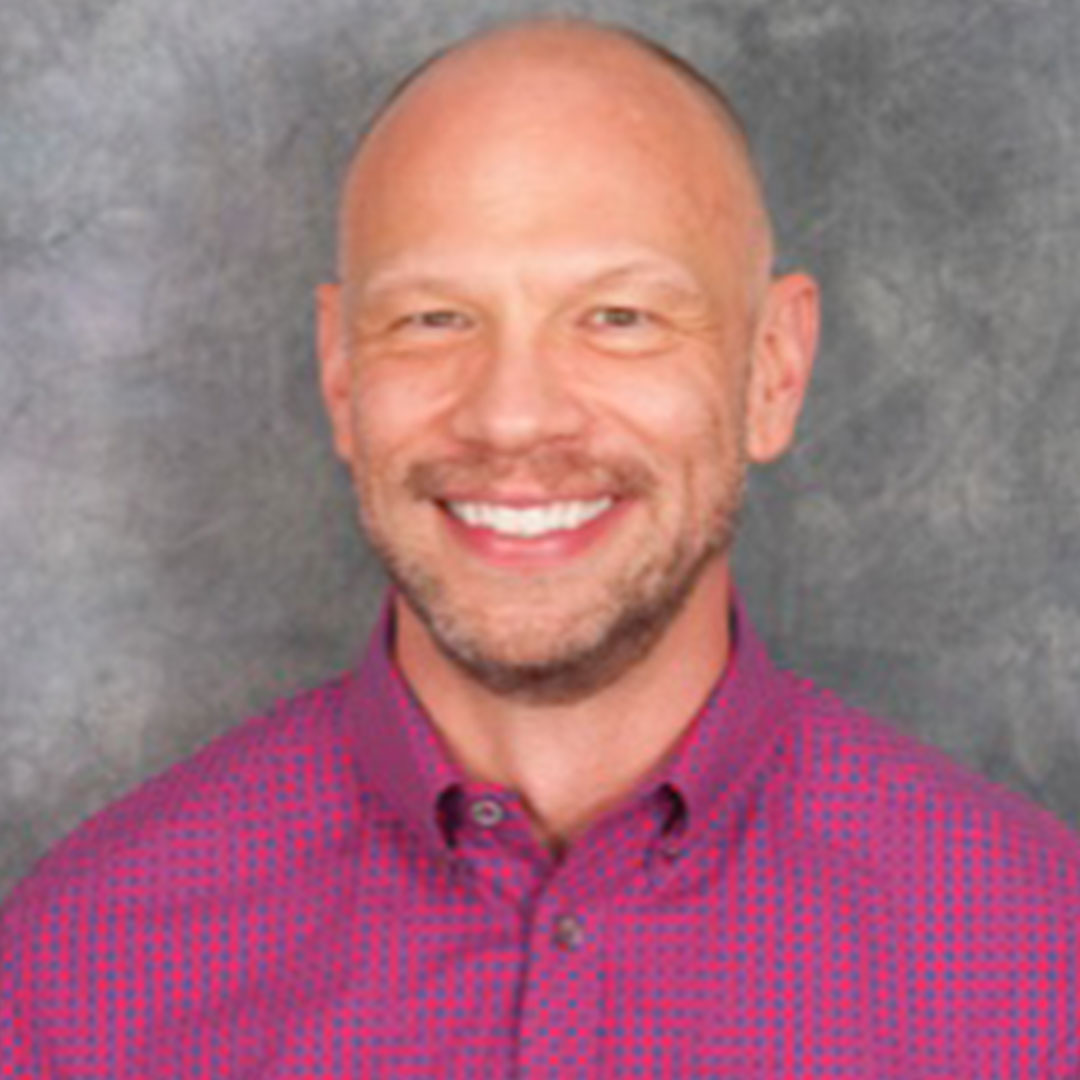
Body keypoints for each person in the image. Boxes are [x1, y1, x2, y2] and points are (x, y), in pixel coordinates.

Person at [3, 16, 1079, 1079]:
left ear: (773, 369)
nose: (512, 418)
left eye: (619, 317)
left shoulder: (1038, 967)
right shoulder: (77, 972)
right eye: (433, 319)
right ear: (341, 374)